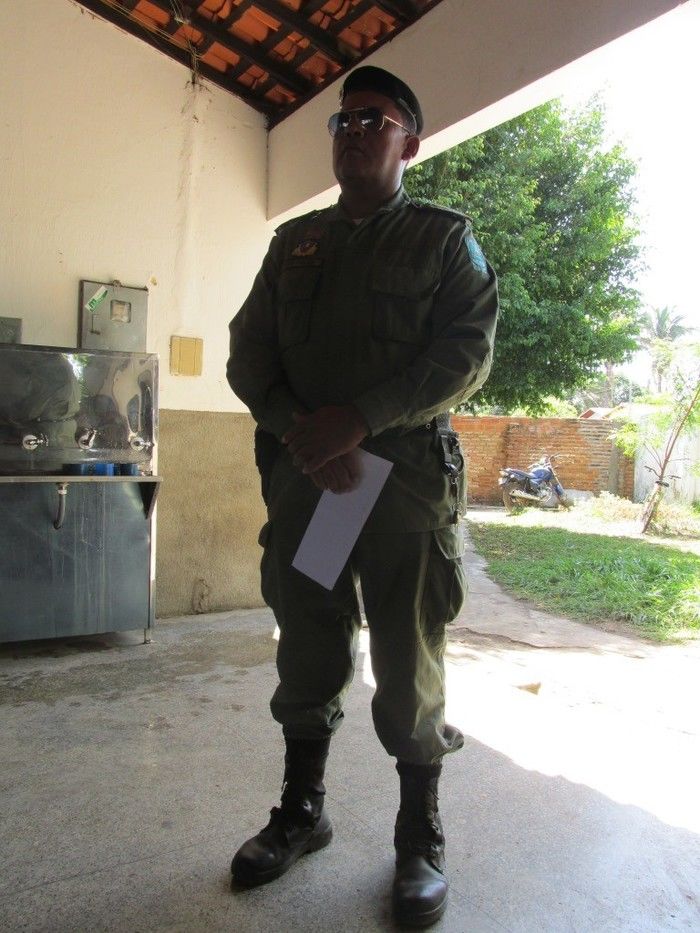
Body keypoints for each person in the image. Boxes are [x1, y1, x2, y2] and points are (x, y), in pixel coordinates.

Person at [226, 65, 498, 928]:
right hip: (312, 482)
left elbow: (466, 353)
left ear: (409, 143)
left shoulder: (445, 241)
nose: (351, 131)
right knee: (306, 644)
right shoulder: (292, 246)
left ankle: (419, 839)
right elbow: (247, 354)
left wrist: (362, 419)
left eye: (372, 120)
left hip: (404, 487)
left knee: (407, 662)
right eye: (342, 121)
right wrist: (305, 432)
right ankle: (303, 812)